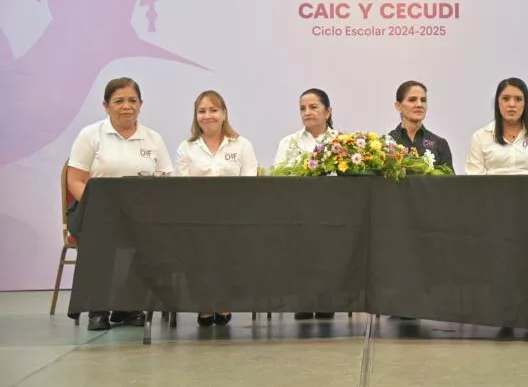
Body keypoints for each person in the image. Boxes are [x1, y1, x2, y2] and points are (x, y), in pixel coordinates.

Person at [66, 77, 173, 331]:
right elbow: (75, 180)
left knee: (152, 232)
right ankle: (98, 307)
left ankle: (129, 306)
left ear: (141, 104)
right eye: (119, 101)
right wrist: (99, 206)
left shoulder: (153, 139)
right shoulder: (90, 135)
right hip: (95, 210)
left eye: (132, 100)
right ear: (106, 106)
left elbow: (166, 180)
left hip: (140, 212)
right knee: (103, 232)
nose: (127, 106)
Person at [175, 90, 258, 326]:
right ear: (196, 116)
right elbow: (180, 187)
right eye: (202, 111)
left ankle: (224, 303)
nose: (207, 115)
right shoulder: (187, 147)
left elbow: (250, 182)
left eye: (213, 110)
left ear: (224, 114)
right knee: (198, 256)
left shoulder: (241, 145)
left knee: (228, 257)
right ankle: (203, 304)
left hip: (233, 218)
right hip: (196, 219)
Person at [272, 88, 337, 320]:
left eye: (313, 107)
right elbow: (279, 178)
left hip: (332, 214)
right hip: (298, 212)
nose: (307, 112)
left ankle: (327, 300)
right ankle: (303, 301)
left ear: (328, 112)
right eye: (303, 108)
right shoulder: (288, 142)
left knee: (329, 256)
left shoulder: (343, 142)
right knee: (301, 257)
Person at [465, 77, 528, 175]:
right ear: (498, 102)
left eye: (518, 99)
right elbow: (474, 179)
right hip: (491, 186)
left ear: (525, 104)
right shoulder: (480, 137)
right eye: (506, 98)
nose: (512, 104)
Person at [388, 80, 453, 171]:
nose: (419, 104)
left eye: (423, 100)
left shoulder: (439, 144)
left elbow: (449, 179)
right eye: (412, 100)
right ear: (398, 106)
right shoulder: (386, 143)